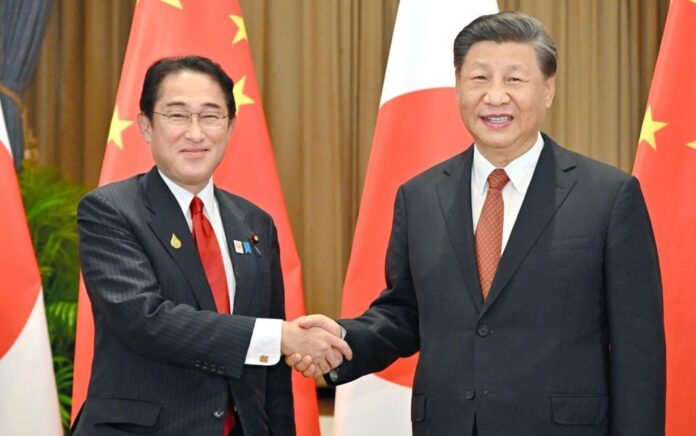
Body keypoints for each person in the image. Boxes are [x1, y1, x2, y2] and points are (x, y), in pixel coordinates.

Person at [288, 11, 665, 436]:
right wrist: (342, 339)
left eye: (515, 80)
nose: (496, 97)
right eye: (480, 78)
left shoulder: (608, 196)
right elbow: (405, 313)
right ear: (458, 87)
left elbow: (639, 352)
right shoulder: (420, 196)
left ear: (548, 90)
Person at [73, 55, 351, 436]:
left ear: (231, 126)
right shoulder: (110, 210)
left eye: (210, 116)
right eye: (177, 115)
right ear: (145, 126)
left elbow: (271, 378)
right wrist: (281, 336)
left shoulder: (254, 223)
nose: (195, 133)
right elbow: (146, 321)